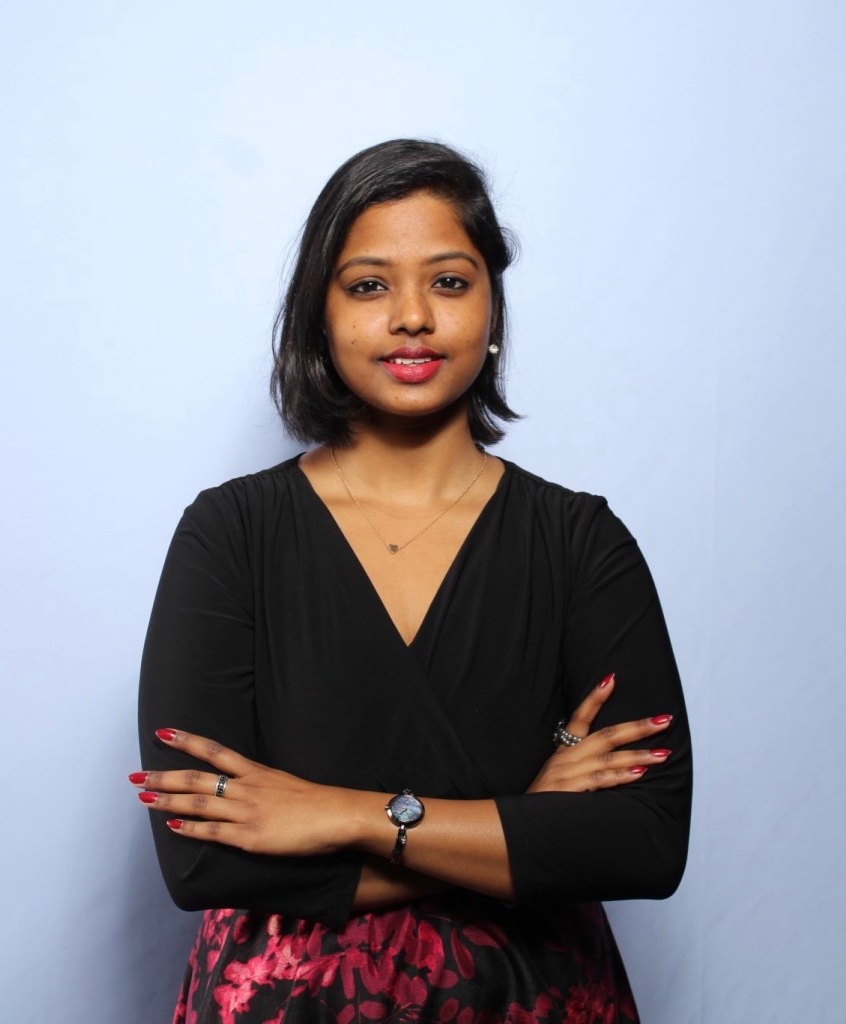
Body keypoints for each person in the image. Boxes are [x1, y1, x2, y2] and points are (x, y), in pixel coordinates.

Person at [133, 139, 692, 1024]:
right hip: (288, 1004)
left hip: (530, 1001)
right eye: (367, 286)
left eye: (449, 281)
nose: (411, 318)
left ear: (492, 307)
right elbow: (201, 862)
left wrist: (349, 815)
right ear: (318, 316)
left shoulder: (579, 542)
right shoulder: (231, 535)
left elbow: (644, 844)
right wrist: (518, 824)